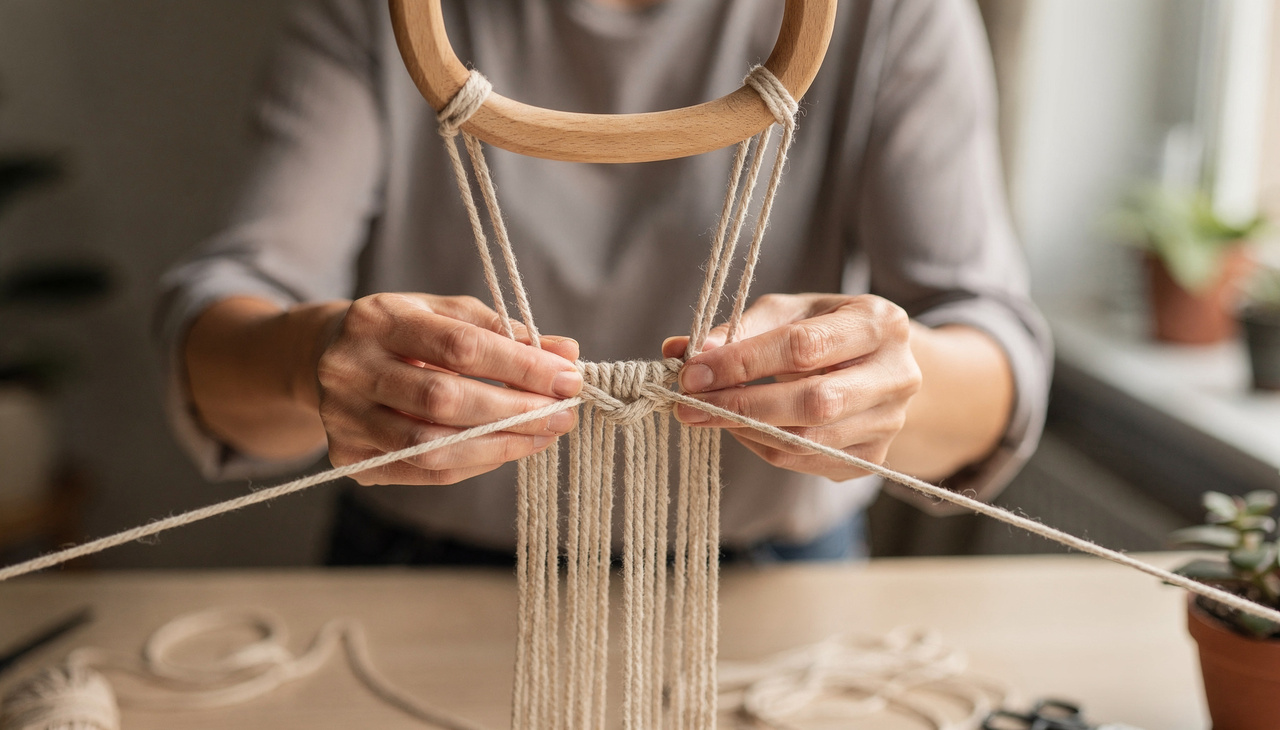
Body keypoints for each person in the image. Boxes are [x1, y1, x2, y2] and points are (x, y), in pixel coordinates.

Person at [155, 0, 1051, 566]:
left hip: (776, 582)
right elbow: (221, 338)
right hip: (420, 566)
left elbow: (997, 362)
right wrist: (311, 360)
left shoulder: (892, 13)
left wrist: (881, 383)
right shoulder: (377, 14)